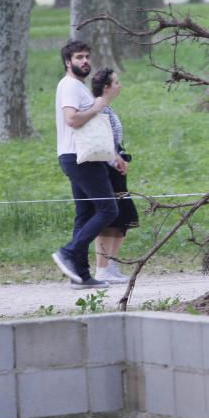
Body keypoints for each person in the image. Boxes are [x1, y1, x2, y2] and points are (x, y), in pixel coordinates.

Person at [51, 40, 125, 289]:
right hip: (79, 158)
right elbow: (72, 120)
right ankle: (69, 252)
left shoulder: (77, 87)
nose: (85, 61)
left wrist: (113, 156)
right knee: (108, 210)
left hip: (78, 156)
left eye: (86, 57)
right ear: (67, 62)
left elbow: (92, 129)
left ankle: (80, 276)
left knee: (84, 216)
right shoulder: (71, 86)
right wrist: (97, 105)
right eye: (79, 57)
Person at [90, 68, 138, 284]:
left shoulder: (108, 109)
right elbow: (100, 140)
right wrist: (115, 160)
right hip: (107, 167)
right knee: (109, 217)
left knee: (123, 216)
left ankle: (111, 264)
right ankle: (102, 267)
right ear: (106, 87)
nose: (120, 86)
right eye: (116, 82)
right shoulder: (99, 109)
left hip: (116, 165)